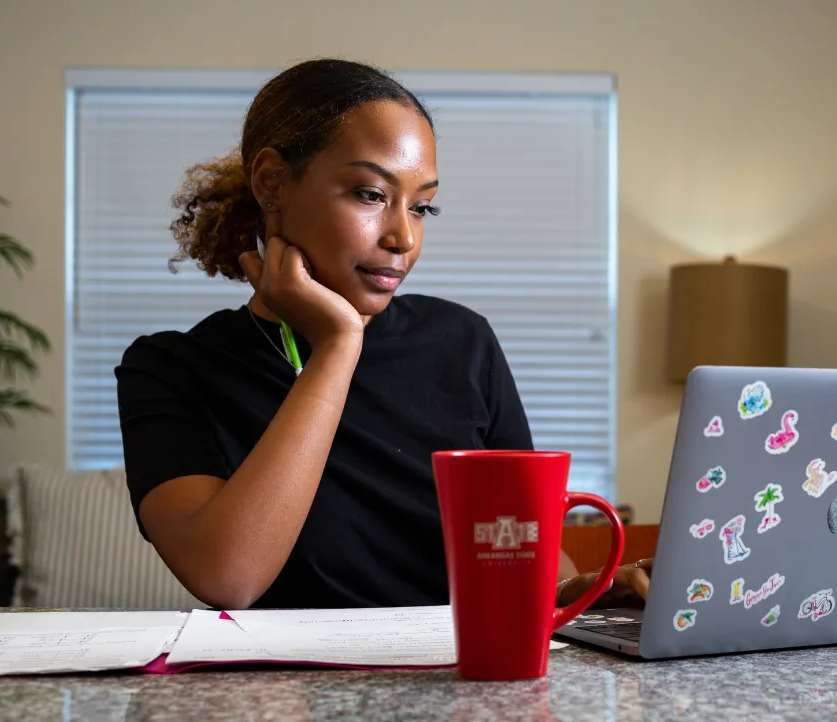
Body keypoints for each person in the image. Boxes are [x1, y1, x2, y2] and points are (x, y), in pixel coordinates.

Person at [115, 58, 651, 611]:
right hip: (288, 693)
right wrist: (339, 345)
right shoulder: (169, 369)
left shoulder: (461, 341)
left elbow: (523, 549)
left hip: (461, 683)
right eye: (371, 195)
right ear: (273, 182)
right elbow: (227, 577)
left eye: (421, 206)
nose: (403, 237)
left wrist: (582, 590)